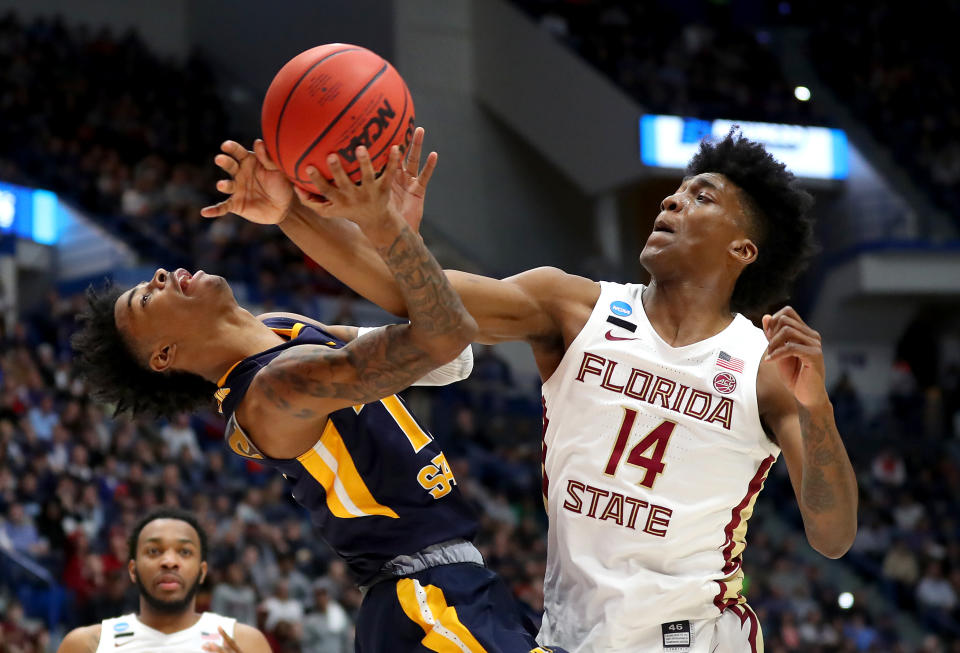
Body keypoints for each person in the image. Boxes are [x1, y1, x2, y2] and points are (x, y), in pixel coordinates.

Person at [208, 127, 859, 652]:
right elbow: (419, 294)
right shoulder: (574, 308)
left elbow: (832, 534)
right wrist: (292, 211)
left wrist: (818, 411)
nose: (671, 201)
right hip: (571, 637)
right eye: (675, 192)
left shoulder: (761, 363)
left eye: (702, 198)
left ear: (743, 249)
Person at [72, 145, 565, 653]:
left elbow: (449, 360)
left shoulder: (281, 329)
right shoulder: (273, 392)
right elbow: (445, 332)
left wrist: (398, 238)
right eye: (146, 299)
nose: (156, 277)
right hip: (423, 604)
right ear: (164, 355)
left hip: (456, 589)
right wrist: (384, 233)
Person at [56, 507, 270, 653]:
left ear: (202, 571)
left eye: (184, 552)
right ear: (133, 569)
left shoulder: (245, 642)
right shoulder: (85, 645)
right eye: (153, 551)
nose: (169, 561)